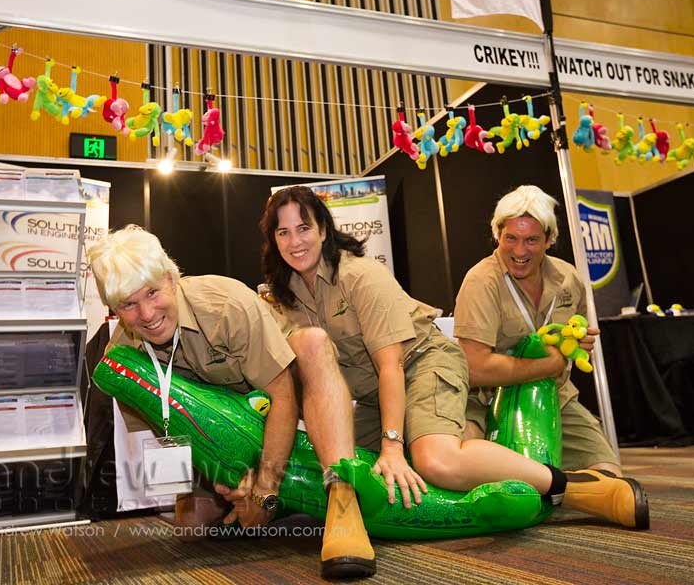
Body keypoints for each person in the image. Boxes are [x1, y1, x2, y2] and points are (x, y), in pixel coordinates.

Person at [259, 186, 649, 529]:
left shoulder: (360, 276)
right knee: (343, 464)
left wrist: (393, 446)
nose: (295, 241)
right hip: (376, 396)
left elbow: (392, 364)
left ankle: (576, 489)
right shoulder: (281, 297)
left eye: (304, 228)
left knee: (435, 461)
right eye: (283, 232)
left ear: (323, 231)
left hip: (422, 365)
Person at [88, 225, 375, 579]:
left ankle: (342, 496)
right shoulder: (122, 358)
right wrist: (224, 478)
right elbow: (167, 434)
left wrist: (263, 491)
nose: (146, 314)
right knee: (191, 526)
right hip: (229, 430)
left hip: (285, 391)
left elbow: (283, 396)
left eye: (152, 293)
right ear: (114, 308)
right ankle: (289, 498)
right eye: (129, 305)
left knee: (313, 343)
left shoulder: (225, 304)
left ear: (171, 280)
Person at [454, 185, 624, 476]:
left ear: (549, 239)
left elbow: (578, 335)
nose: (520, 251)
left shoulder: (568, 277)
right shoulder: (481, 281)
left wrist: (578, 344)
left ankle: (552, 486)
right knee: (466, 470)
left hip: (554, 395)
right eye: (511, 238)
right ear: (497, 235)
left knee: (609, 477)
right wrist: (551, 364)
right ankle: (544, 483)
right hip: (484, 400)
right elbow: (475, 369)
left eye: (531, 240)